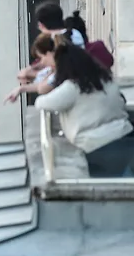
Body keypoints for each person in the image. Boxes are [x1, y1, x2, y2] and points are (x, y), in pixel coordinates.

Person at [33, 37, 134, 177]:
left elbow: (41, 102)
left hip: (97, 148)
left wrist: (52, 74)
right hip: (126, 138)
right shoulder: (106, 80)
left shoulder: (72, 88)